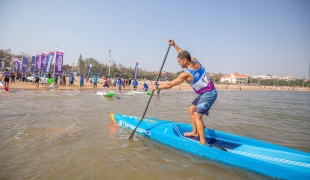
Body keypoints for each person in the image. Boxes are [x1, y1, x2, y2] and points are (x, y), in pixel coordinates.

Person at [152, 39, 217, 145]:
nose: (178, 63)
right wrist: (174, 45)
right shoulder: (195, 61)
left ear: (184, 61)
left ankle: (202, 143)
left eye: (179, 61)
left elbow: (171, 84)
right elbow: (183, 53)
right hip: (205, 92)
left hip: (209, 93)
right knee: (191, 109)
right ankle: (195, 132)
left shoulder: (186, 74)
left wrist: (158, 87)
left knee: (197, 116)